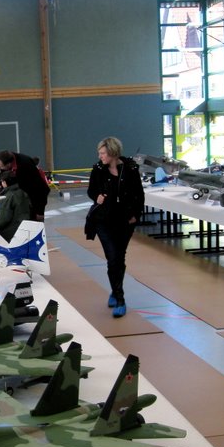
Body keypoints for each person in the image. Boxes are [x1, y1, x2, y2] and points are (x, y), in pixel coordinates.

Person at [85, 136, 144, 318]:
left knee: (119, 257)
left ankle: (114, 289)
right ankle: (120, 299)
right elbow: (91, 190)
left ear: (112, 152)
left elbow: (139, 194)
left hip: (125, 221)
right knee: (112, 258)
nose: (100, 156)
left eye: (103, 153)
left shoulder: (130, 169)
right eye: (99, 153)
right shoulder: (98, 170)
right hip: (103, 221)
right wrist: (97, 197)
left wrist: (135, 215)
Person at [0, 149, 50, 221]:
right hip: (21, 194)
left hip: (36, 193)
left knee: (34, 219)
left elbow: (38, 189)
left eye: (0, 167)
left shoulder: (25, 165)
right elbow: (1, 176)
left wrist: (39, 212)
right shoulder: (7, 160)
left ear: (9, 164)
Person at [0, 171, 32, 242]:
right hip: (23, 229)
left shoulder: (9, 196)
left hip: (10, 233)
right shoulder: (23, 192)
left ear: (5, 182)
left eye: (2, 182)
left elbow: (4, 218)